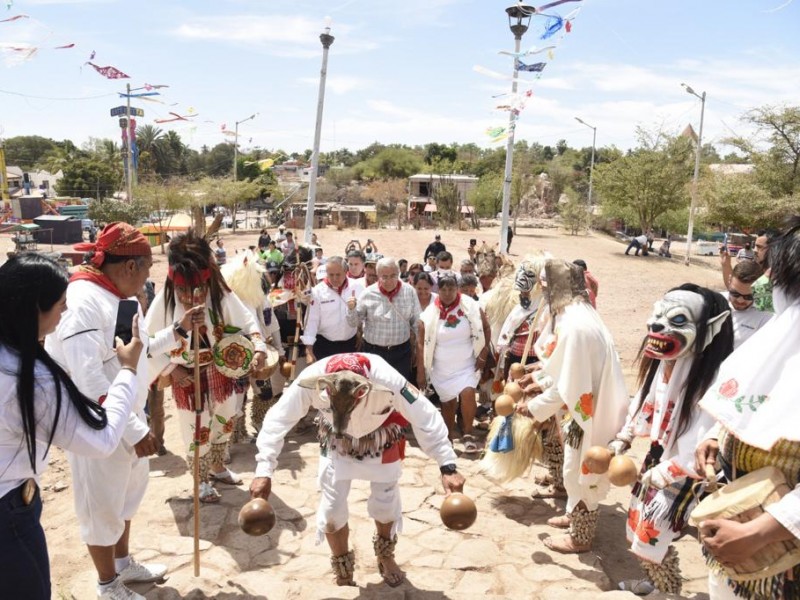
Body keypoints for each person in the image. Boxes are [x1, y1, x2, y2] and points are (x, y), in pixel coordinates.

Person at [250, 353, 464, 587]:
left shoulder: (389, 380)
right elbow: (278, 420)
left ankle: (385, 555)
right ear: (326, 389)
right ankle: (341, 563)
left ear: (364, 391)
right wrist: (264, 469)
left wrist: (447, 465)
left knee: (386, 503)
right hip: (334, 441)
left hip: (382, 438)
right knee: (332, 510)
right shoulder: (310, 379)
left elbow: (425, 415)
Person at [0, 254, 144, 600]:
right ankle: (108, 583)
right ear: (36, 307)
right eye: (61, 305)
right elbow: (101, 440)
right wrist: (127, 372)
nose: (64, 314)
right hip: (9, 512)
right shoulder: (31, 380)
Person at [44, 223, 168, 600]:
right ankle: (107, 585)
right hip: (97, 424)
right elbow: (88, 380)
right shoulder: (83, 300)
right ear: (130, 266)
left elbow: (136, 353)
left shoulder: (118, 294)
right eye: (148, 268)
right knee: (101, 505)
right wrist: (132, 428)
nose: (149, 278)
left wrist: (176, 333)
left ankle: (122, 564)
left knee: (126, 495)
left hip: (127, 416)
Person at [695, 216, 800, 600]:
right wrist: (715, 436)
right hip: (737, 543)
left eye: (779, 276)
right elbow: (753, 398)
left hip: (781, 561)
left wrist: (758, 533)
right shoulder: (779, 336)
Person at [610, 284, 733, 595]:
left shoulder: (715, 377)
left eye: (677, 321)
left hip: (685, 468)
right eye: (657, 316)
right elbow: (648, 404)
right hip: (656, 458)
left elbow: (705, 437)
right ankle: (660, 585)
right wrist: (623, 438)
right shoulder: (665, 364)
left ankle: (667, 591)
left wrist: (667, 470)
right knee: (636, 528)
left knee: (652, 532)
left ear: (709, 330)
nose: (656, 326)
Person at [144, 230, 267, 503]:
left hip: (222, 372)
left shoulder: (219, 293)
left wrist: (257, 349)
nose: (192, 296)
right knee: (194, 429)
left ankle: (217, 467)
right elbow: (146, 344)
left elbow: (247, 323)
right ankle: (199, 481)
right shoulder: (163, 302)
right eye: (184, 290)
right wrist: (171, 370)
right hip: (187, 379)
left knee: (224, 420)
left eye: (198, 288)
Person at [517, 259, 629, 553]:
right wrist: (537, 377)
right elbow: (564, 366)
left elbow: (572, 385)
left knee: (581, 471)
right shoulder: (575, 316)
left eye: (544, 285)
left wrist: (535, 407)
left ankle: (581, 537)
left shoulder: (577, 325)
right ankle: (573, 513)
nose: (542, 291)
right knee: (572, 468)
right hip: (583, 408)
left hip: (588, 411)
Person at [417, 275, 491, 453]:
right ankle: (448, 437)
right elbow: (421, 343)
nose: (448, 293)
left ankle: (467, 434)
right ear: (438, 290)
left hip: (467, 364)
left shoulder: (470, 306)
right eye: (443, 289)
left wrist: (483, 353)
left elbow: (486, 328)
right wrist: (421, 371)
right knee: (448, 403)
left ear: (457, 289)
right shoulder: (429, 313)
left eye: (451, 289)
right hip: (441, 368)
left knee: (467, 393)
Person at [346, 257, 420, 381]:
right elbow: (354, 323)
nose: (389, 281)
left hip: (401, 353)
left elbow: (417, 323)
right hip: (374, 353)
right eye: (384, 277)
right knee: (375, 389)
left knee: (399, 390)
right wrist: (351, 309)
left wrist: (418, 351)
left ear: (399, 274)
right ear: (378, 275)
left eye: (393, 276)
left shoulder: (409, 292)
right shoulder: (368, 293)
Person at [302, 257, 365, 363]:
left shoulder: (358, 287)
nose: (335, 278)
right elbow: (311, 321)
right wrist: (309, 351)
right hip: (325, 345)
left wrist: (361, 333)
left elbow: (364, 314)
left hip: (351, 344)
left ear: (346, 272)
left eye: (338, 274)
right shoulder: (317, 292)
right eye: (331, 275)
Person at [725, 260, 773, 349]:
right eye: (735, 293)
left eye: (748, 297)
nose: (740, 300)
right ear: (729, 280)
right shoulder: (715, 302)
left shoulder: (766, 317)